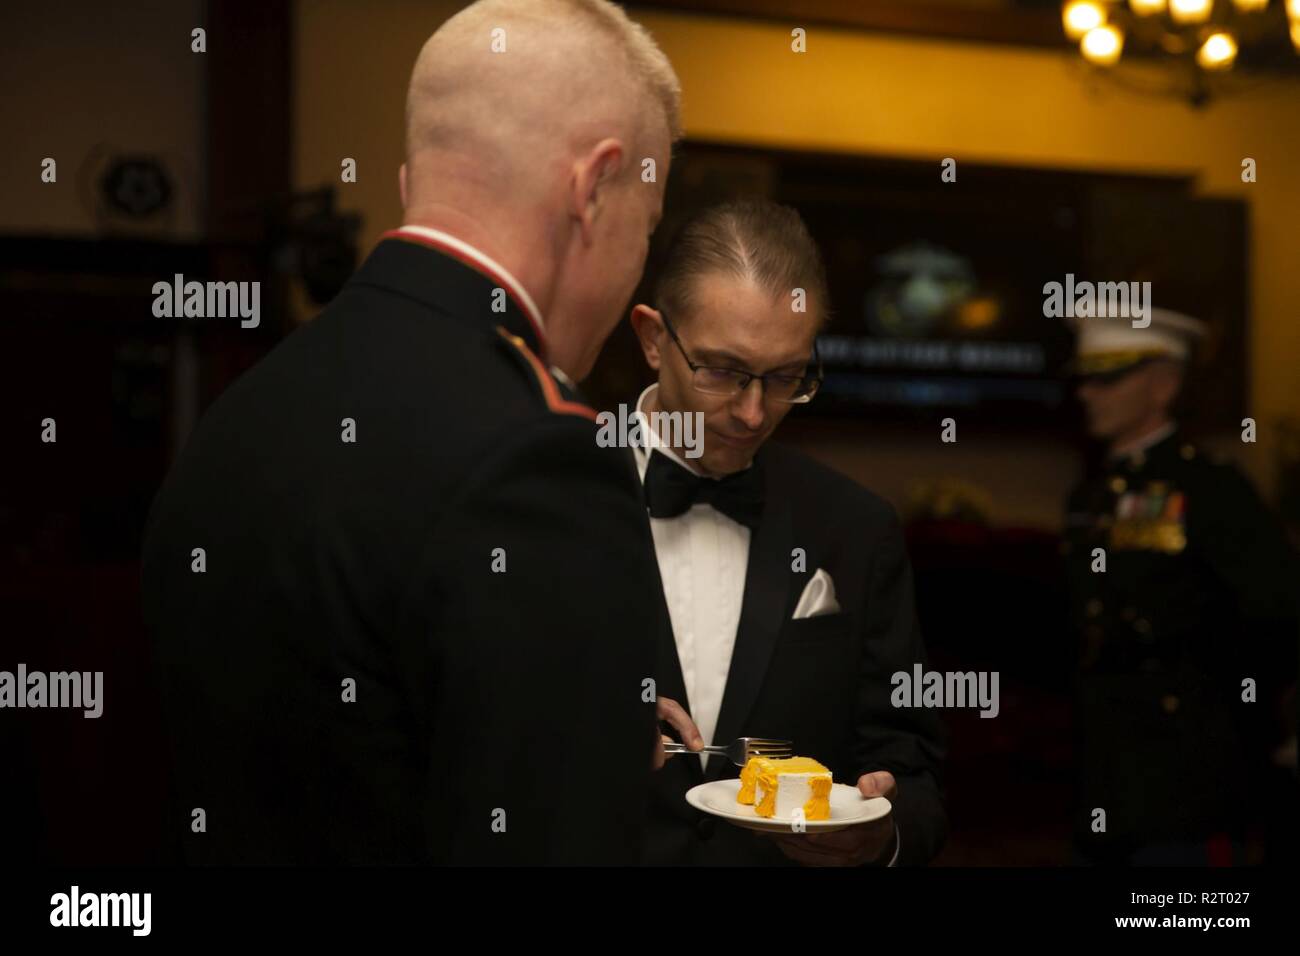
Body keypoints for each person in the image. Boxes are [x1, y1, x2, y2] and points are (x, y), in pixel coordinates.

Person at [141, 0, 683, 864]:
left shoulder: (243, 406)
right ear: (593, 188)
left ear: (411, 183)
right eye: (644, 228)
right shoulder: (538, 454)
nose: (633, 268)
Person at [626, 199, 948, 866]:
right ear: (653, 338)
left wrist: (883, 832)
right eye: (721, 371)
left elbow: (912, 770)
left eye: (785, 378)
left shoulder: (855, 528)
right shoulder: (544, 495)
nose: (751, 414)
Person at [1064, 308, 1299, 865]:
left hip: (1191, 770)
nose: (1089, 394)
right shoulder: (1090, 496)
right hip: (1102, 767)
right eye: (1084, 379)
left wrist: (1240, 720)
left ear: (1164, 384)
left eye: (1109, 377)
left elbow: (1279, 614)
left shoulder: (1211, 489)